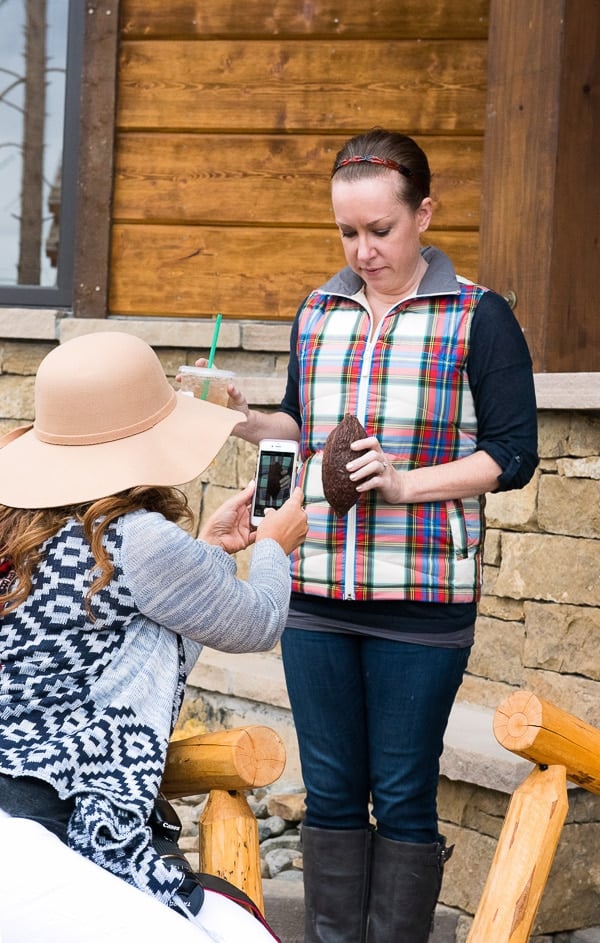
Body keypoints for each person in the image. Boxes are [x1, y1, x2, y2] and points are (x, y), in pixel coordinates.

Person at [200, 129, 539, 942]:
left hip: (420, 602)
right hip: (315, 591)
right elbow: (299, 424)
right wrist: (244, 420)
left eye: (379, 231)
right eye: (347, 233)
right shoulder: (318, 310)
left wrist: (406, 483)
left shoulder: (479, 316)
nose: (363, 250)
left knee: (403, 793)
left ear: (425, 214)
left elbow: (513, 452)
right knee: (331, 790)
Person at [0, 330, 308, 943]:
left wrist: (211, 552)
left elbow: (130, 641)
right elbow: (258, 621)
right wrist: (276, 546)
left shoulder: (27, 520)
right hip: (57, 816)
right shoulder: (137, 535)